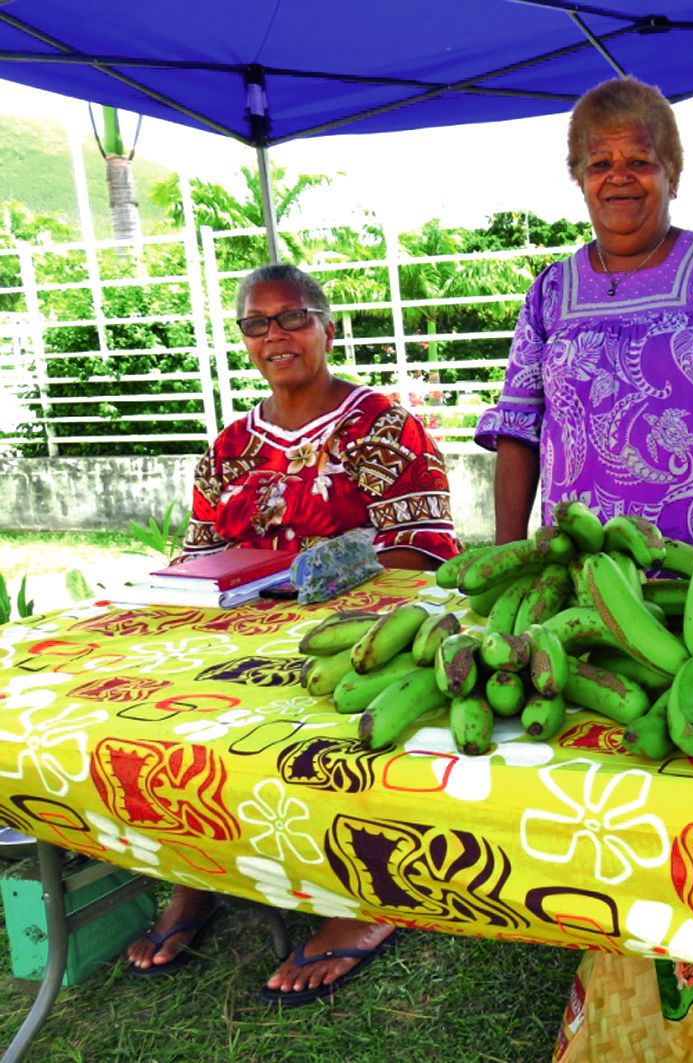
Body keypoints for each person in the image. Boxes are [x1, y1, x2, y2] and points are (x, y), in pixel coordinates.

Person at [125, 262, 460, 1005]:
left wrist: (306, 584)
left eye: (293, 316)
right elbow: (203, 547)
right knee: (164, 712)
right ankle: (195, 876)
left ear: (327, 327)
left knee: (351, 736)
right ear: (243, 338)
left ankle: (363, 900)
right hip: (243, 631)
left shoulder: (383, 426)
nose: (275, 334)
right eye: (256, 322)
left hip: (357, 635)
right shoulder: (231, 443)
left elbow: (420, 552)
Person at [475, 76, 693, 545]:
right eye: (600, 163)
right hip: (580, 568)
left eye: (639, 161)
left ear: (672, 175)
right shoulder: (551, 291)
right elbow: (519, 430)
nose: (619, 176)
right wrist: (508, 550)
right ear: (579, 178)